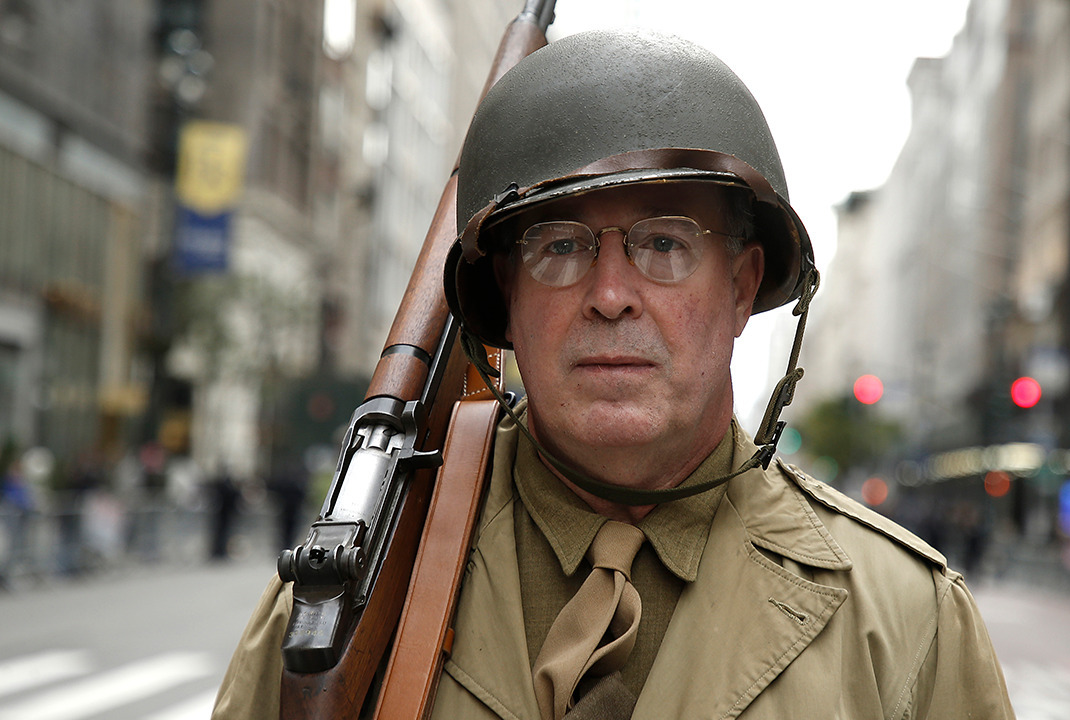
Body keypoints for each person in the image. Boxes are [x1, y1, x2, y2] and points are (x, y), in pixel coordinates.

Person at [214, 29, 1014, 719]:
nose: (608, 297)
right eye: (559, 246)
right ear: (506, 297)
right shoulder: (349, 596)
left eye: (664, 245)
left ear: (740, 288)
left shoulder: (906, 621)